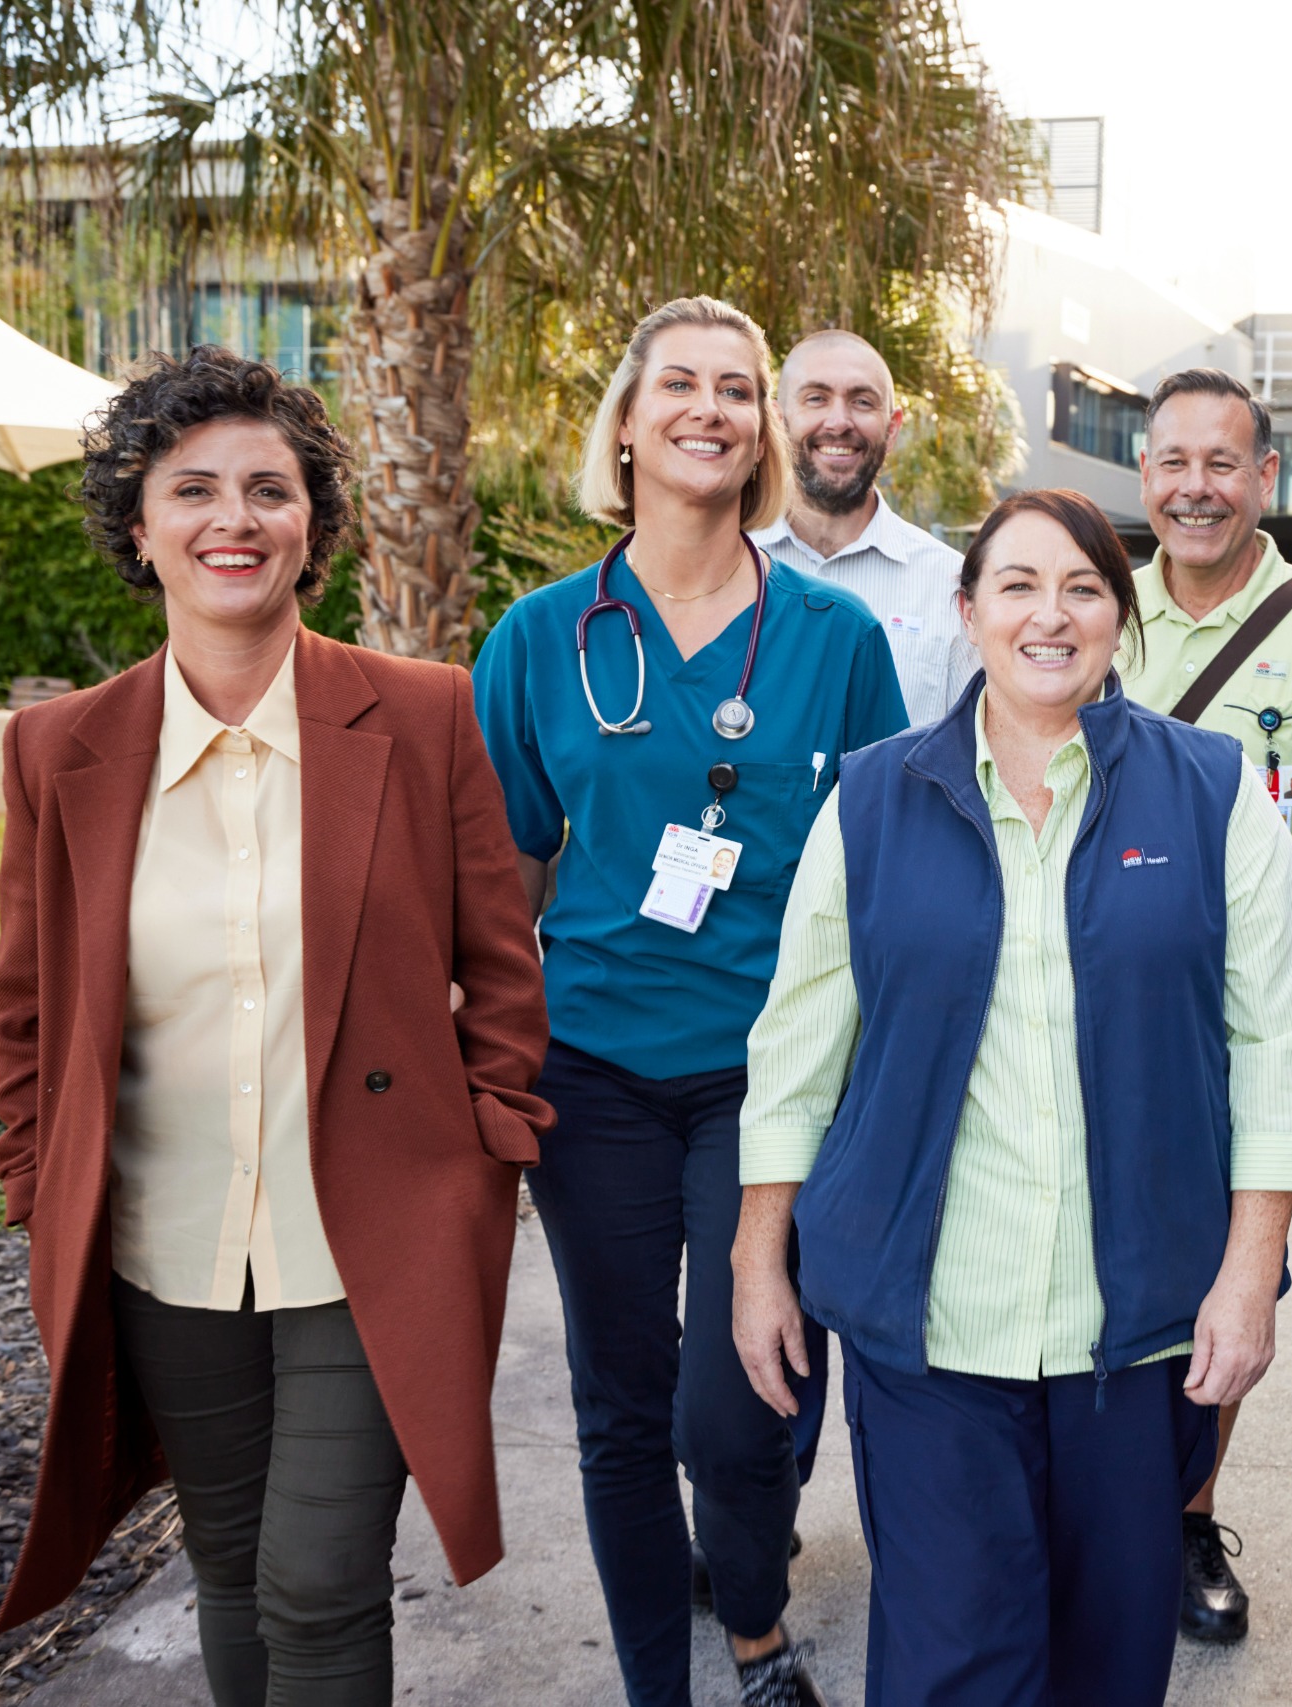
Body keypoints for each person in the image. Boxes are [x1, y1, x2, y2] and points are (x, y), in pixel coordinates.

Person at [0, 345, 554, 1704]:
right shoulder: (61, 748)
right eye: (192, 489)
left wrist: (485, 1148)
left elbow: (503, 964)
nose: (233, 517)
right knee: (231, 1559)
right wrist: (32, 1180)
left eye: (268, 488)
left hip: (374, 1232)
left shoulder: (422, 715)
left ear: (312, 526)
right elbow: (27, 1005)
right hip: (162, 1238)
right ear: (139, 525)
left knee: (319, 1570)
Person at [732, 488, 1292, 1707]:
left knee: (1107, 1662)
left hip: (1137, 1323)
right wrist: (762, 1259)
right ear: (967, 613)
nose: (1048, 615)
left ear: (1120, 619)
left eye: (1081, 587)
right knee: (951, 1660)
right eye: (1015, 585)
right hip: (931, 1323)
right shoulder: (871, 797)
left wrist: (1248, 1271)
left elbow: (1283, 1033)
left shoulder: (1212, 791)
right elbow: (796, 1045)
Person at [472, 297, 907, 1707]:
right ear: (629, 420)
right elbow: (500, 866)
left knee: (738, 1400)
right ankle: (664, 1679)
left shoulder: (834, 638)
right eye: (680, 384)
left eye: (737, 386)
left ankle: (760, 1622)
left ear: (762, 427)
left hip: (766, 1077)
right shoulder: (539, 638)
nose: (708, 407)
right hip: (589, 1069)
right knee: (617, 1407)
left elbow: (891, 864)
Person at [1117, 365, 1292, 1643]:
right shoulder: (1094, 607)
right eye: (1173, 462)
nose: (1195, 488)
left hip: (1248, 1029)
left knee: (1237, 1284)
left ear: (1265, 479)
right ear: (1144, 475)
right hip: (1100, 1010)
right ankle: (1099, 1510)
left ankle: (1182, 1514)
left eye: (1222, 464)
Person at [753, 329, 975, 722]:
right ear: (776, 419)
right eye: (816, 398)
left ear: (892, 429)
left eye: (862, 401)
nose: (839, 422)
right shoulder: (725, 560)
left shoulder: (952, 585)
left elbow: (973, 758)